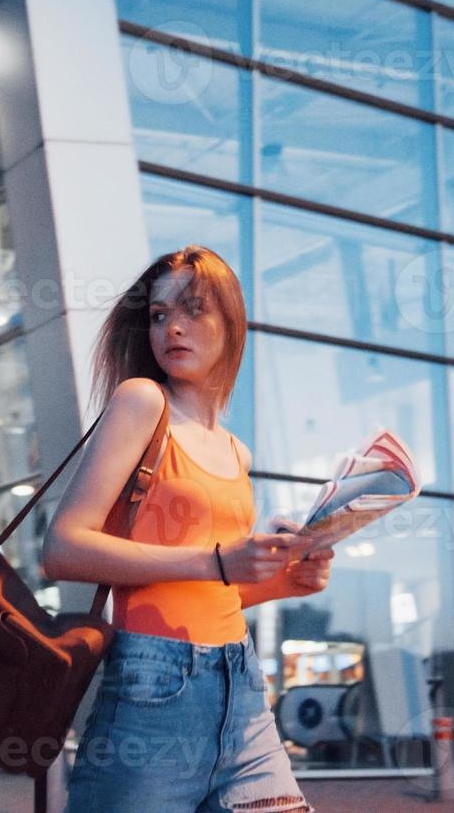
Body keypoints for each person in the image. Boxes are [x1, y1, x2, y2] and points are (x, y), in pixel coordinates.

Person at [44, 245, 332, 813]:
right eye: (158, 315)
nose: (173, 326)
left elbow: (212, 589)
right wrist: (219, 561)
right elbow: (62, 548)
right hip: (154, 692)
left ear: (232, 323)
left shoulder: (237, 452)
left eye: (194, 310)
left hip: (242, 687)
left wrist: (288, 581)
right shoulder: (141, 402)